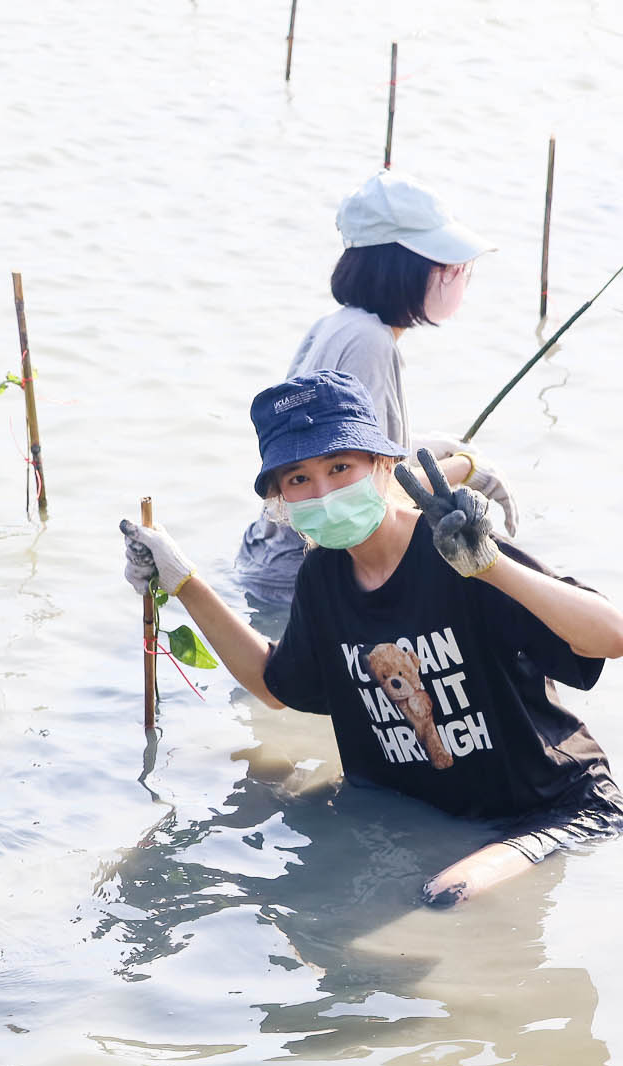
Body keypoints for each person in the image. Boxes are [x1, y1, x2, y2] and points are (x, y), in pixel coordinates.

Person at [123, 371, 623, 906]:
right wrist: (182, 581)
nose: (324, 493)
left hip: (551, 808)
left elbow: (610, 638)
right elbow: (276, 685)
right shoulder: (322, 577)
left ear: (384, 466)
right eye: (299, 480)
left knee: (445, 896)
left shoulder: (452, 546)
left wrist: (489, 566)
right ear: (280, 500)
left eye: (340, 468)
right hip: (420, 810)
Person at [237, 170, 520, 606]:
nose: (455, 277)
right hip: (300, 579)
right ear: (404, 268)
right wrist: (466, 469)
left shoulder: (338, 325)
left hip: (265, 557)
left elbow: (345, 450)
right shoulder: (370, 343)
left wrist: (431, 445)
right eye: (444, 265)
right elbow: (364, 495)